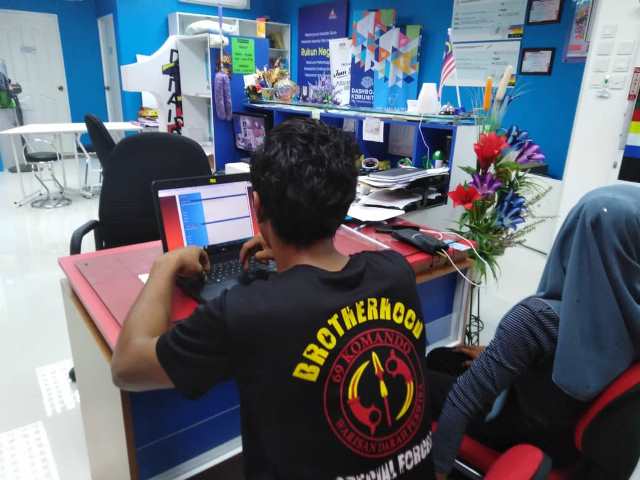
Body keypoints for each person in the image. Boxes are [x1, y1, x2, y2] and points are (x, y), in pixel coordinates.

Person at [111, 118, 436, 479]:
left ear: (257, 205)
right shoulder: (395, 272)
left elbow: (126, 367)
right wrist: (285, 253)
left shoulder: (247, 312)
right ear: (345, 201)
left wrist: (165, 266)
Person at [429, 184, 640, 480]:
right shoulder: (630, 314)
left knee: (424, 375)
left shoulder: (537, 320)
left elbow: (461, 402)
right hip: (566, 441)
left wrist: (437, 470)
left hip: (517, 429)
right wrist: (501, 354)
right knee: (446, 357)